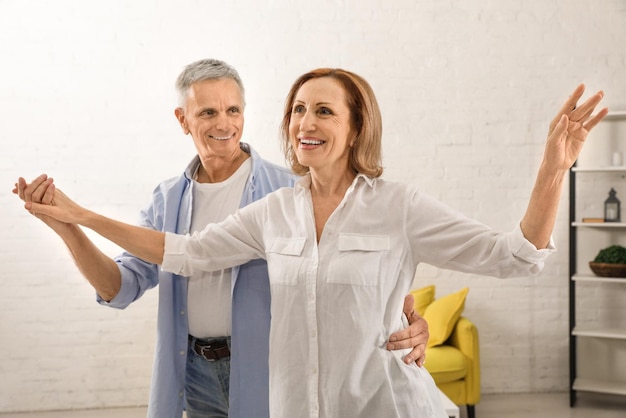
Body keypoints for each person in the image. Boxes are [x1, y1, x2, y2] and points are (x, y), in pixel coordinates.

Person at [17, 67, 608, 417]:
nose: (305, 122)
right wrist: (77, 215)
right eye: (298, 109)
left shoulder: (397, 206)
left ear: (355, 128)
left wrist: (554, 169)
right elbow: (186, 252)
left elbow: (516, 256)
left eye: (324, 110)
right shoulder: (273, 210)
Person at [13, 61, 429, 418]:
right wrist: (69, 226)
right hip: (192, 373)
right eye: (208, 112)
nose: (224, 123)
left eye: (233, 110)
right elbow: (117, 288)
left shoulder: (289, 191)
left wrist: (408, 323)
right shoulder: (167, 200)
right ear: (183, 120)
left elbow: (350, 277)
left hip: (271, 371)